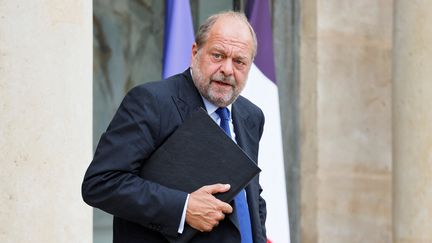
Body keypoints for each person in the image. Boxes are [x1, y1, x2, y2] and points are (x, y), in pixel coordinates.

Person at [82, 11, 267, 243]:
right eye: (218, 55)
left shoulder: (251, 116)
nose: (228, 70)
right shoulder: (151, 102)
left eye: (239, 61)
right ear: (194, 52)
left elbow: (250, 194)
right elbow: (101, 183)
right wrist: (183, 207)